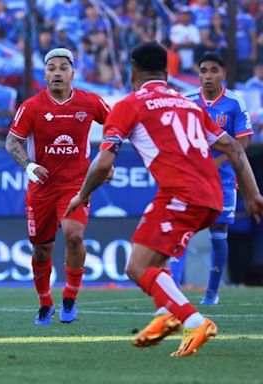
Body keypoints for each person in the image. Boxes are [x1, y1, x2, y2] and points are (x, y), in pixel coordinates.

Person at [65, 42, 263, 356]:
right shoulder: (190, 104)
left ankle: (195, 321)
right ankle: (164, 315)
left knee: (137, 267)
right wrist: (253, 195)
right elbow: (234, 148)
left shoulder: (129, 105)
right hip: (212, 195)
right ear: (167, 73)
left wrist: (81, 195)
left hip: (181, 194)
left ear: (132, 72)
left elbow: (103, 163)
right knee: (157, 257)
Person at [5, 48, 111, 326]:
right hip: (41, 188)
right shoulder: (31, 106)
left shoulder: (90, 102)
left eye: (63, 67)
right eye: (52, 68)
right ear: (45, 74)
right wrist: (29, 165)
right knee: (42, 250)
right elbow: (11, 142)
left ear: (72, 73)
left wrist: (108, 159)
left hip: (76, 185)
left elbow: (115, 125)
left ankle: (70, 297)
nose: (57, 72)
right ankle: (44, 303)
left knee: (74, 236)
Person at [170, 52, 253, 304]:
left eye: (213, 70)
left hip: (224, 179)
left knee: (219, 231)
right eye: (203, 70)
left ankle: (212, 292)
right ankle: (172, 293)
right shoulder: (187, 101)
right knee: (181, 230)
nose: (207, 76)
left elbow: (243, 140)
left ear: (223, 74)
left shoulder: (234, 102)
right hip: (191, 178)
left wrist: (217, 162)